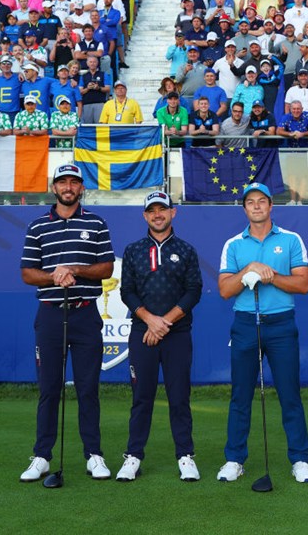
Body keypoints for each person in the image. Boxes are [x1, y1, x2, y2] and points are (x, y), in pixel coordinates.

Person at [19, 164, 116, 483]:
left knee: (88, 389)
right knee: (49, 389)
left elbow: (105, 267)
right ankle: (42, 456)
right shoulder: (37, 226)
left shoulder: (96, 222)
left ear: (81, 188)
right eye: (63, 182)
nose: (68, 187)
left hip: (85, 313)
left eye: (74, 182)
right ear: (54, 187)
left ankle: (94, 455)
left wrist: (73, 269)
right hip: (49, 313)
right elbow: (27, 273)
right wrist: (53, 275)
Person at [216, 182, 308, 484]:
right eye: (251, 202)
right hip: (246, 323)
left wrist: (270, 277)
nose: (257, 206)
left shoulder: (290, 240)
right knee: (240, 395)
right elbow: (224, 290)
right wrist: (249, 270)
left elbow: (303, 284)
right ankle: (234, 459)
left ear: (271, 206)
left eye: (262, 201)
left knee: (290, 394)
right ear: (244, 208)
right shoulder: (234, 244)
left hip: (282, 323)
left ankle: (300, 459)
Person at [116, 190, 203, 482]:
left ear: (173, 212)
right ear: (145, 215)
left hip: (177, 333)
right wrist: (150, 321)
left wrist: (164, 322)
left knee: (179, 397)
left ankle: (185, 456)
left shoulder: (187, 250)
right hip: (143, 334)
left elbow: (194, 291)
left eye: (162, 209)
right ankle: (134, 456)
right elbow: (126, 291)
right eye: (151, 210)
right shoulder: (133, 250)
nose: (157, 214)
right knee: (142, 397)